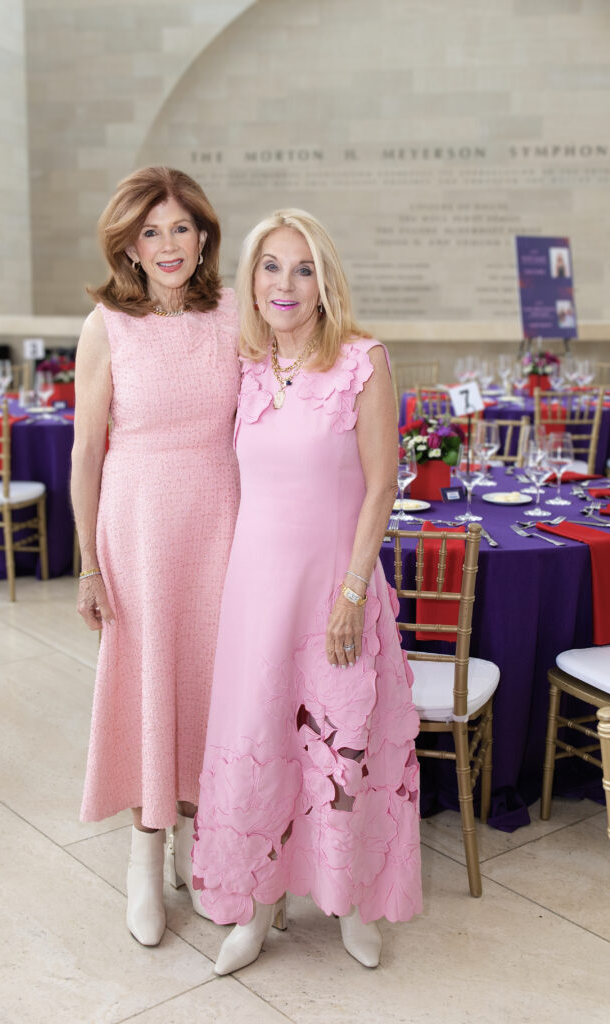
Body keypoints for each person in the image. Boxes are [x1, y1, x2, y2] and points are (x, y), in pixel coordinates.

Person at [191, 210, 422, 974]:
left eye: (300, 269)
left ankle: (349, 899)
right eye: (268, 267)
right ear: (249, 282)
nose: (283, 284)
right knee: (260, 744)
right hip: (254, 597)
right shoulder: (245, 368)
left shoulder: (362, 361)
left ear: (323, 282)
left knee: (339, 751)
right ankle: (256, 908)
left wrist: (352, 593)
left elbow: (382, 486)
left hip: (334, 593)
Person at [72, 166, 240, 947]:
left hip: (222, 520)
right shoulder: (108, 322)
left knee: (209, 683)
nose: (167, 245)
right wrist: (87, 564)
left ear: (202, 235)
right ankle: (145, 852)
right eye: (150, 232)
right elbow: (83, 455)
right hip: (137, 523)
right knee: (148, 683)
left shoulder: (236, 312)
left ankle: (200, 842)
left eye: (179, 228)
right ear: (129, 247)